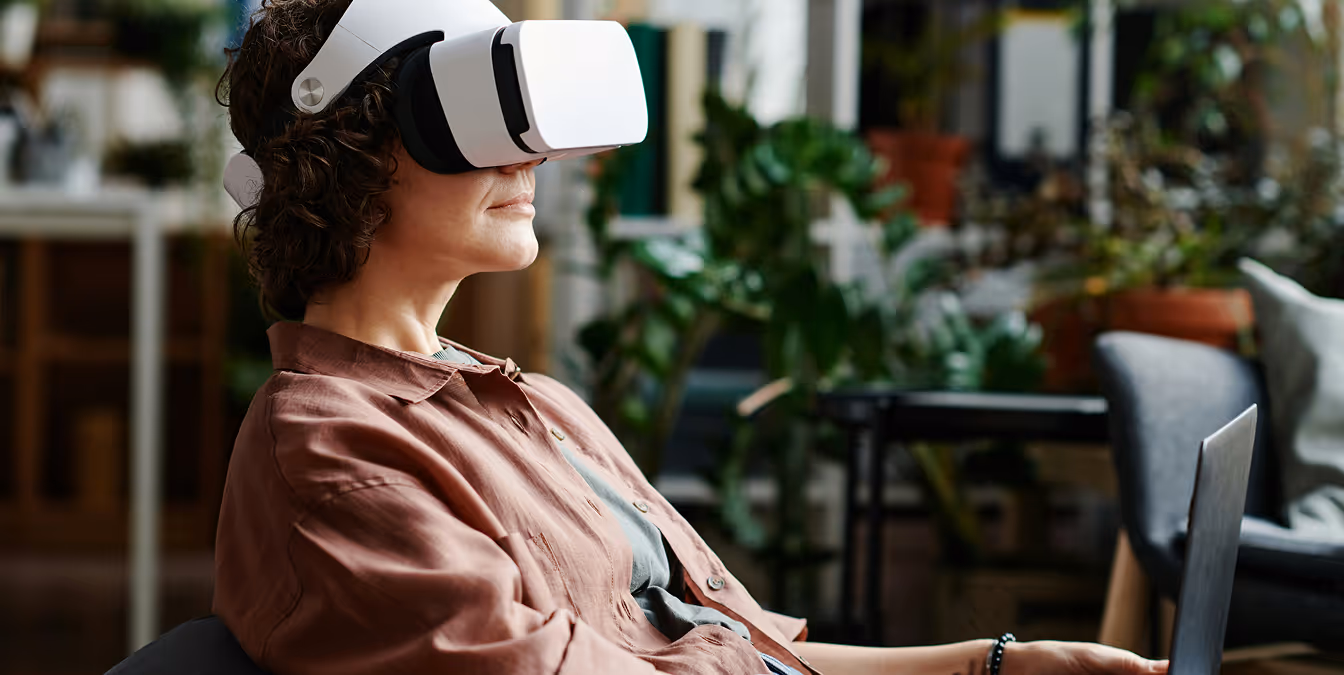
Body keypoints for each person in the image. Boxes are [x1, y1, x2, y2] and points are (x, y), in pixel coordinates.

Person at [212, 1, 1174, 674]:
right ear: (342, 158)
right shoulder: (332, 450)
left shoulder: (536, 404)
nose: (532, 152)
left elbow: (742, 645)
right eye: (470, 114)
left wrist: (994, 664)